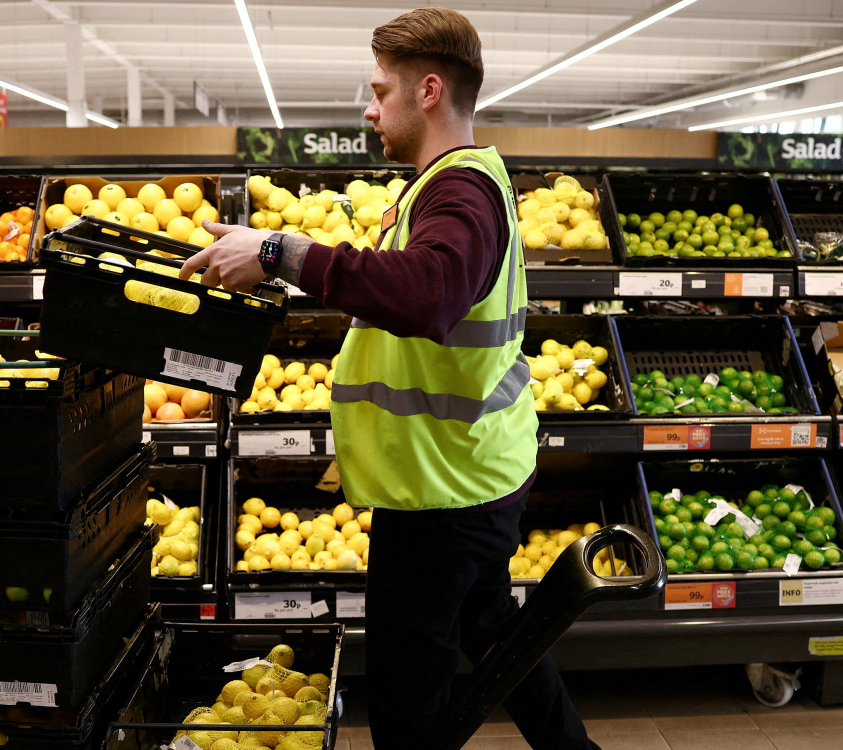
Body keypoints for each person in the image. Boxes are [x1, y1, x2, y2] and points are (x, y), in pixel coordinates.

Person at [178, 8, 598, 749]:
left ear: (428, 91)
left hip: (441, 489)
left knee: (407, 702)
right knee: (496, 635)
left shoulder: (460, 194)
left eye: (380, 91)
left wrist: (283, 251)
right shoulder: (453, 184)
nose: (369, 109)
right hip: (466, 465)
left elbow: (428, 293)